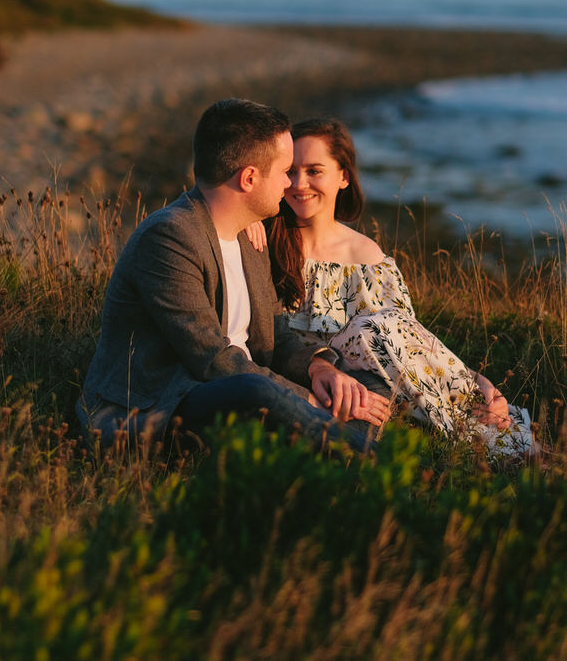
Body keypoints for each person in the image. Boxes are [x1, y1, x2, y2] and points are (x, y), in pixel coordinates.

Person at [77, 98, 392, 451]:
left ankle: (329, 451)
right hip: (164, 404)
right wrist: (306, 402)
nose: (290, 184)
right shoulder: (169, 238)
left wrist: (321, 370)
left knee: (361, 379)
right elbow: (213, 360)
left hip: (246, 387)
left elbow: (277, 333)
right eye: (285, 171)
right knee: (253, 391)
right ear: (249, 178)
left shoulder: (248, 234)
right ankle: (366, 457)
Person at [260, 117, 537, 462]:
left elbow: (409, 345)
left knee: (377, 327)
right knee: (367, 328)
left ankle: (495, 434)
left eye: (314, 171)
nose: (299, 183)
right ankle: (497, 446)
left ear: (343, 176)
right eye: (291, 171)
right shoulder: (263, 238)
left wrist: (478, 380)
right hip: (302, 377)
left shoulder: (369, 258)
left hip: (375, 388)